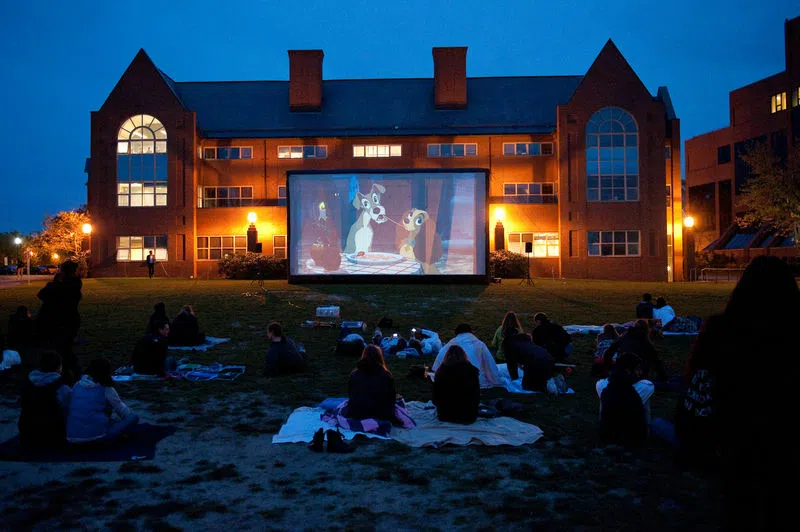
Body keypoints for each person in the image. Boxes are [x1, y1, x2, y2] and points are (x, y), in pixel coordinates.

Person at [698, 256, 800, 530]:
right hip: (786, 436)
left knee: (742, 506)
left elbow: (700, 380)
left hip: (737, 434)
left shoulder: (722, 330)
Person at [66, 358, 139, 444]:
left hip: (71, 436)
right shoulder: (106, 389)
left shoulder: (77, 385)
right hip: (97, 438)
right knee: (134, 417)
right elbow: (123, 411)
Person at [36, 260, 83, 382]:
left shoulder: (64, 286)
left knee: (63, 350)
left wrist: (54, 282)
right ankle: (69, 374)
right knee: (65, 350)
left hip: (60, 322)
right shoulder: (73, 284)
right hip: (66, 321)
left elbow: (42, 295)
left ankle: (68, 374)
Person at [596, 353, 654, 445]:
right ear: (628, 371)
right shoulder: (644, 387)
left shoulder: (602, 385)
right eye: (638, 369)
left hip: (607, 434)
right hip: (633, 438)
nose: (640, 372)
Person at [18, 350, 71, 448]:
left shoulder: (28, 384)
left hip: (28, 431)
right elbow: (68, 410)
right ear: (59, 368)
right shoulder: (62, 388)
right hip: (52, 434)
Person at [432, 324, 503, 388]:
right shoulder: (479, 345)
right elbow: (490, 366)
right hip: (476, 383)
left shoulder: (447, 346)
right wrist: (497, 382)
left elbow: (436, 368)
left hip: (450, 383)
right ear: (471, 332)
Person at [345, 345, 397, 421]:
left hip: (357, 412)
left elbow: (351, 394)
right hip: (381, 413)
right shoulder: (386, 375)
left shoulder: (354, 374)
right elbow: (392, 397)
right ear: (379, 357)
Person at [432, 345, 480, 424]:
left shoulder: (441, 371)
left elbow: (435, 397)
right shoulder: (472, 370)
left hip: (445, 415)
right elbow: (476, 395)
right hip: (467, 416)